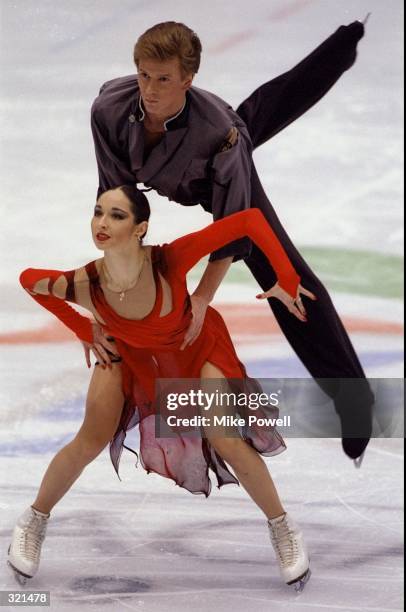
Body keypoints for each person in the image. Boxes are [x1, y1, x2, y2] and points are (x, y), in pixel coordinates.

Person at [89, 21, 374, 463]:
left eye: (163, 78)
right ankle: (344, 43)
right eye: (144, 74)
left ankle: (354, 399)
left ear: (187, 78)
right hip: (203, 151)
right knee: (259, 110)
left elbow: (238, 224)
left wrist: (202, 296)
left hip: (220, 174)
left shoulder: (220, 133)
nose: (149, 88)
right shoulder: (109, 107)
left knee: (289, 280)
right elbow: (117, 200)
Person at [8, 185, 314, 591]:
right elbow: (29, 280)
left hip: (196, 346)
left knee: (225, 438)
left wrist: (287, 278)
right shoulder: (86, 283)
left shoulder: (169, 259)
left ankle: (283, 528)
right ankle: (33, 520)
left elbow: (249, 221)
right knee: (90, 438)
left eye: (116, 216)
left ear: (140, 228)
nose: (102, 223)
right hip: (132, 355)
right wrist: (85, 329)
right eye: (98, 212)